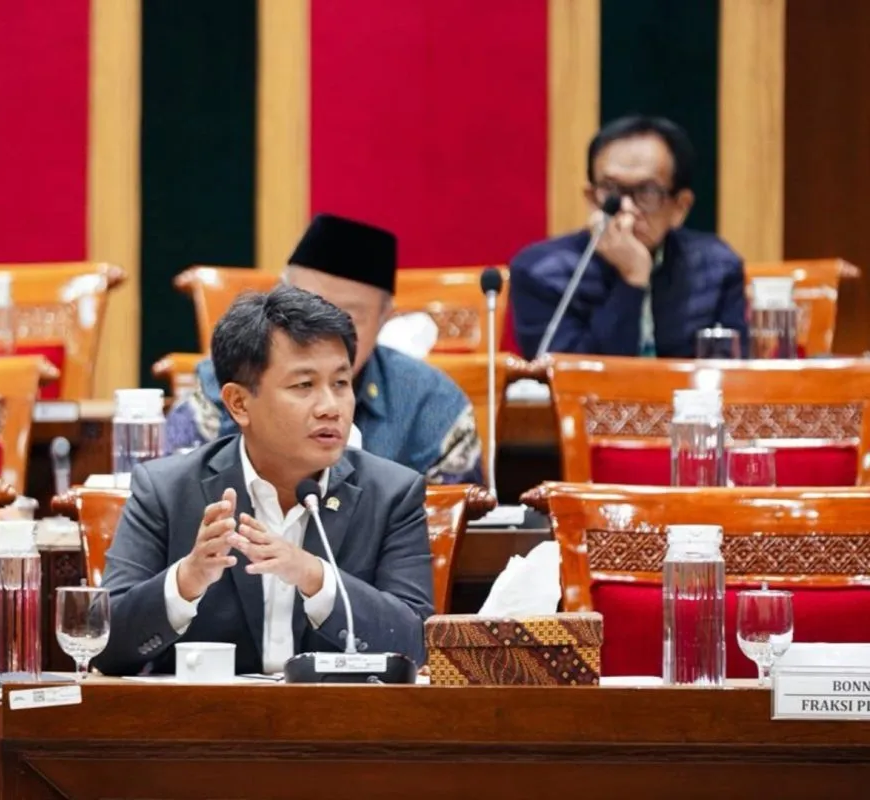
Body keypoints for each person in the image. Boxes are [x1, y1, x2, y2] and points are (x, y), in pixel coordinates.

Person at [93, 285, 433, 676]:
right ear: (239, 403)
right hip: (204, 714)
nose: (331, 407)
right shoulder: (167, 491)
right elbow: (103, 647)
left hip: (340, 715)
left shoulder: (392, 494)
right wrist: (186, 580)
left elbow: (416, 645)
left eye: (341, 383)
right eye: (304, 385)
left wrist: (315, 577)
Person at [165, 213, 481, 484]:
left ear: (384, 319)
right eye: (304, 308)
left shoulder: (431, 404)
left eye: (348, 317)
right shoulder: (229, 378)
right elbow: (171, 488)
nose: (323, 333)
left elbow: (451, 524)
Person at [509, 115, 748, 359]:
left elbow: (735, 370)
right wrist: (632, 278)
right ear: (591, 199)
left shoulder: (716, 269)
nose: (627, 208)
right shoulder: (542, 274)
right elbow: (570, 374)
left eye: (648, 192)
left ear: (680, 207)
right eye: (611, 190)